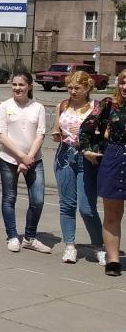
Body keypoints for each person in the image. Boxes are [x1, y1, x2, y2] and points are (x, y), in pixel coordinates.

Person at [52, 70, 103, 264]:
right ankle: (70, 246)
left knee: (87, 208)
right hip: (65, 155)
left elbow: (103, 133)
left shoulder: (96, 107)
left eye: (77, 88)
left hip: (87, 158)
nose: (73, 92)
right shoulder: (63, 105)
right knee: (67, 204)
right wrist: (58, 135)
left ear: (87, 87)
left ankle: (99, 246)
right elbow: (56, 132)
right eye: (70, 88)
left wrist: (84, 134)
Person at [80, 69, 126, 276]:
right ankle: (113, 260)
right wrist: (88, 150)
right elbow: (87, 127)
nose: (124, 87)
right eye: (122, 82)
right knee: (112, 214)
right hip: (114, 158)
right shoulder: (108, 104)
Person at [0, 71, 48, 254]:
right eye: (14, 84)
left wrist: (29, 158)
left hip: (34, 160)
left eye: (21, 85)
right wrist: (21, 157)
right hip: (8, 159)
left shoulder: (38, 107)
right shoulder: (4, 106)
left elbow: (40, 134)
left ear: (29, 87)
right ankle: (12, 236)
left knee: (38, 200)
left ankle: (29, 238)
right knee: (9, 198)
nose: (17, 88)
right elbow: (2, 135)